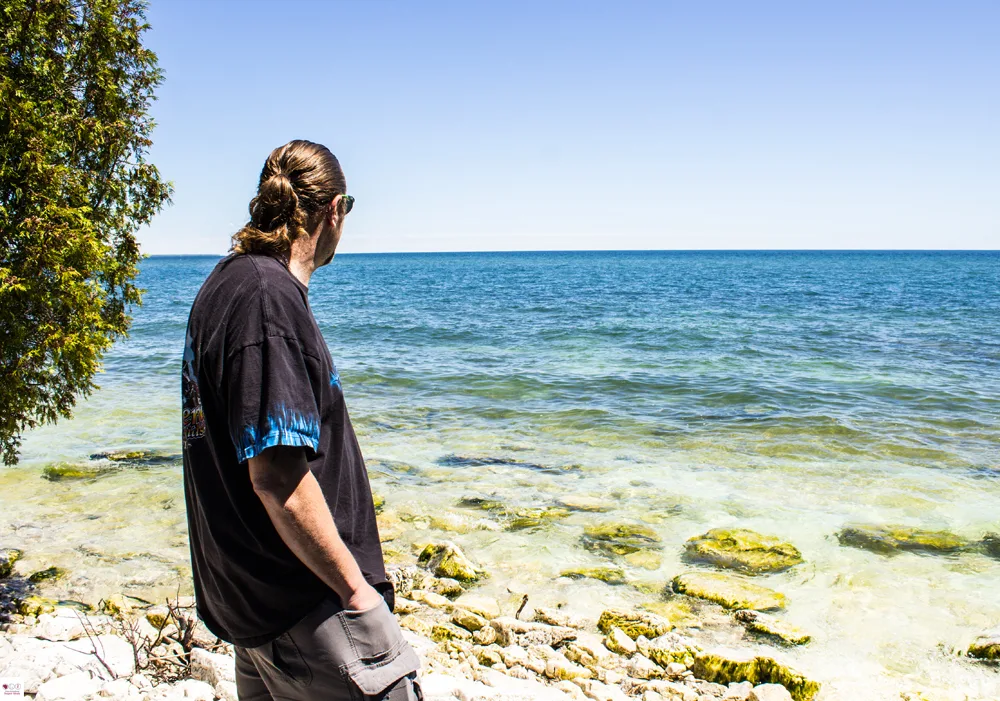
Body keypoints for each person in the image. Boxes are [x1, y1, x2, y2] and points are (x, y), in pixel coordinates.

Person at [181, 140, 421, 700]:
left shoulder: (224, 286)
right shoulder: (268, 299)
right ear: (333, 210)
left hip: (253, 609)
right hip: (309, 609)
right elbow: (277, 478)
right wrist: (357, 593)